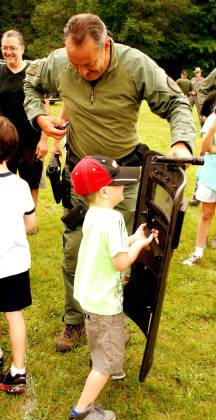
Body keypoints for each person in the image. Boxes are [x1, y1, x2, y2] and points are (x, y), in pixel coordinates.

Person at [24, 13, 195, 353]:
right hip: (82, 176)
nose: (81, 73)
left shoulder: (135, 65)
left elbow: (177, 102)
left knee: (120, 254)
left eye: (89, 65)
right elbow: (31, 83)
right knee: (75, 250)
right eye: (75, 66)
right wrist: (39, 117)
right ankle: (74, 320)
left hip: (125, 178)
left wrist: (182, 143)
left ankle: (113, 317)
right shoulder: (61, 63)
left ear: (106, 45)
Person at [68, 155, 158, 420]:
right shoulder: (115, 218)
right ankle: (82, 412)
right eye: (121, 184)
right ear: (106, 191)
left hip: (89, 296)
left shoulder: (95, 214)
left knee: (105, 337)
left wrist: (134, 238)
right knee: (104, 361)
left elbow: (111, 248)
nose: (125, 188)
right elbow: (120, 262)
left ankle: (111, 362)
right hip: (104, 303)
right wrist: (141, 247)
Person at [0, 115, 36, 394]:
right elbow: (31, 224)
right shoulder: (21, 186)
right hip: (14, 264)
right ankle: (18, 371)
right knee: (14, 314)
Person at [0, 29, 48, 213]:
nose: (8, 51)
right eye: (4, 47)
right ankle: (9, 216)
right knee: (5, 179)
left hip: (31, 137)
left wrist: (44, 140)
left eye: (12, 47)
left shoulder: (33, 72)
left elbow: (44, 107)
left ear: (22, 48)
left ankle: (30, 219)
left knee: (31, 180)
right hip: (5, 139)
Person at [183, 91, 216, 266]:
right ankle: (198, 252)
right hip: (212, 172)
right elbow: (205, 146)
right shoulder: (212, 119)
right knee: (206, 213)